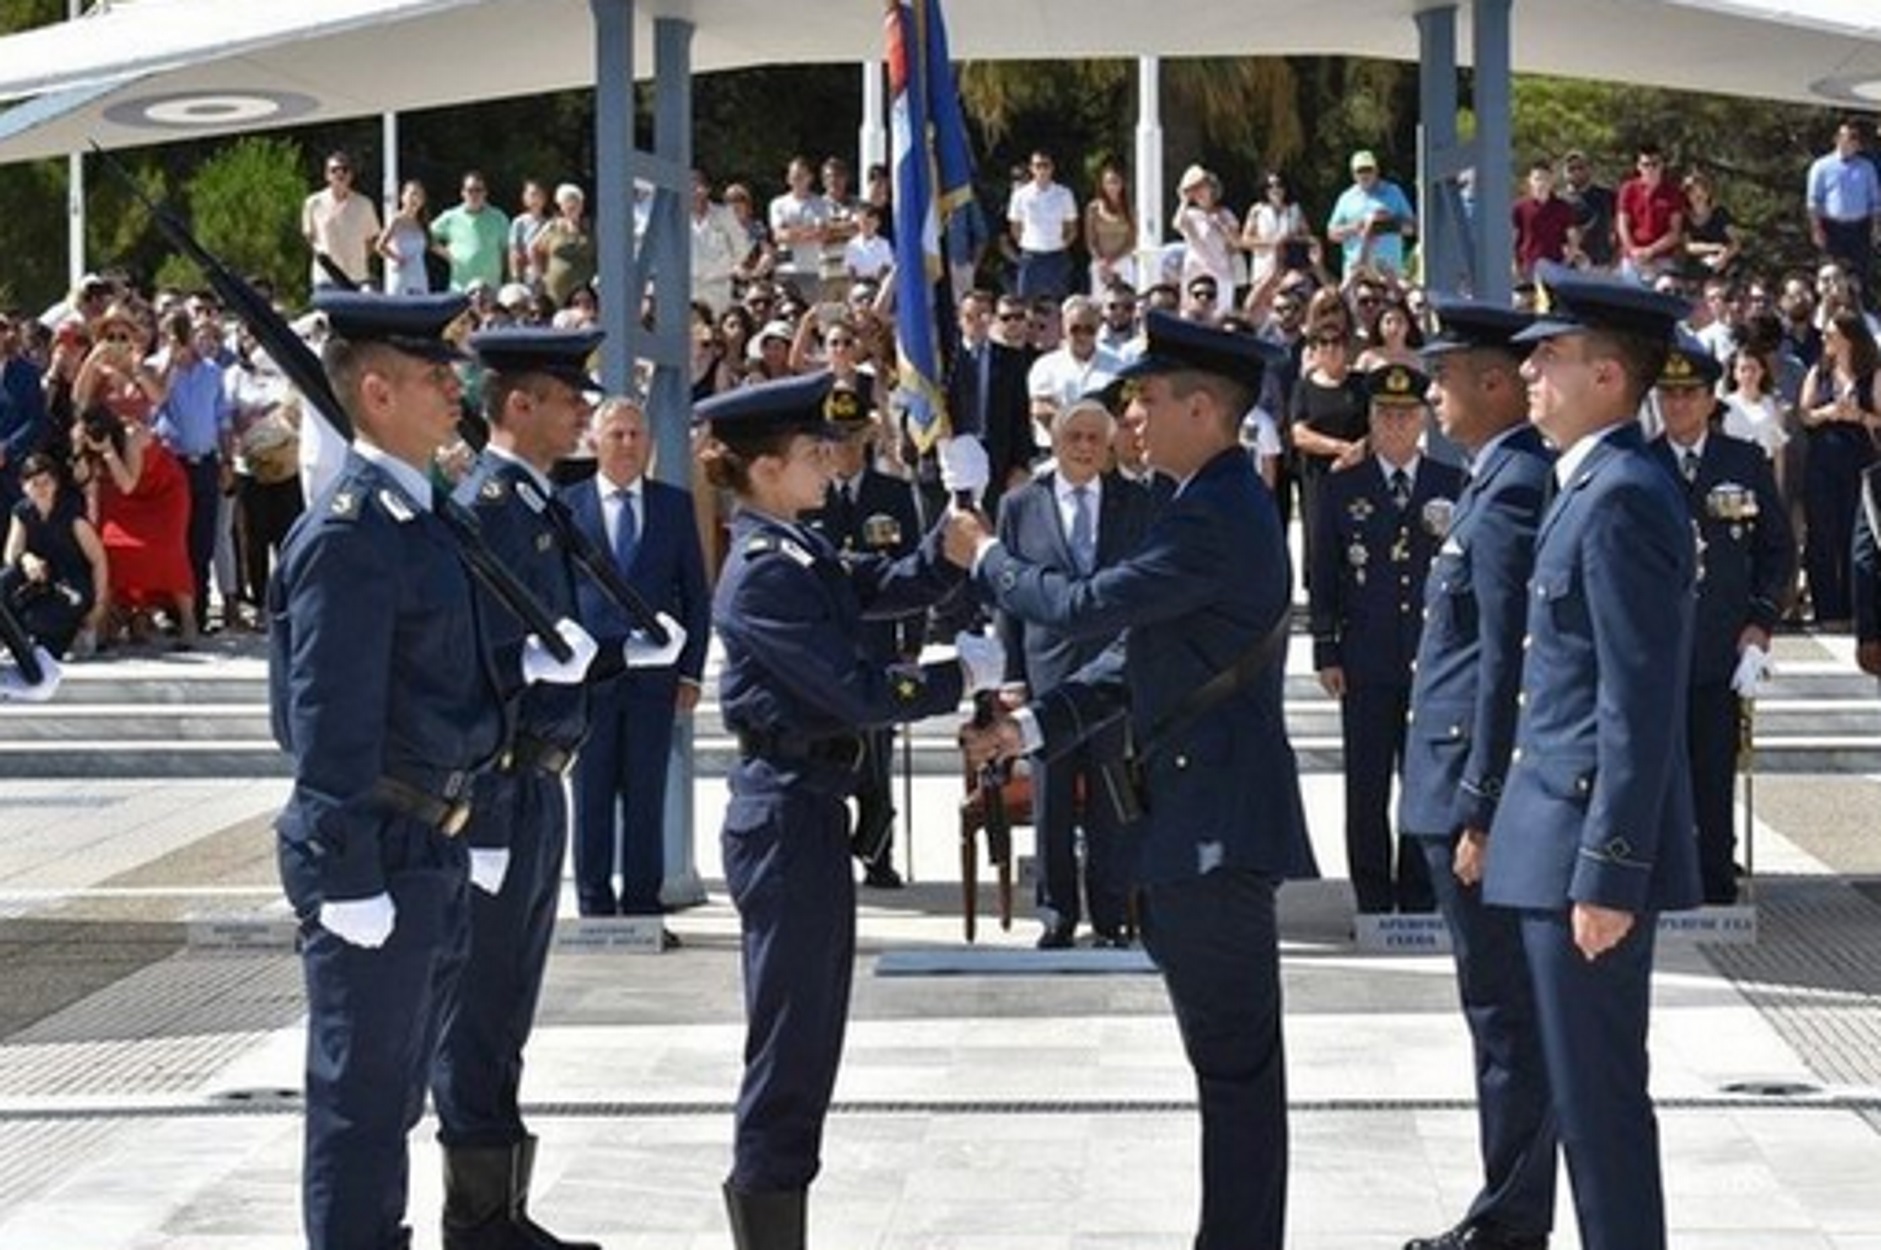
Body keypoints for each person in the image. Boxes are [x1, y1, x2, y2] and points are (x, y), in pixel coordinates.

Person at [956, 311, 1316, 1249]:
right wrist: (1034, 724)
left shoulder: (1215, 511)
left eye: (1147, 401)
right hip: (1193, 812)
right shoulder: (1203, 503)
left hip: (1214, 820)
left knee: (1235, 1064)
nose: (1130, 422)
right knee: (1226, 1060)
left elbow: (1079, 608)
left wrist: (986, 556)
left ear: (1204, 408)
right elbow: (1136, 660)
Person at [269, 291, 600, 1250]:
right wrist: (346, 873)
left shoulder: (423, 518)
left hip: (432, 841)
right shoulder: (353, 534)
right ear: (374, 392)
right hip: (378, 841)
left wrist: (520, 667)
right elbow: (327, 718)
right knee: (361, 1108)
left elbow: (436, 678)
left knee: (400, 1093)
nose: (455, 388)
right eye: (430, 376)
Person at [699, 372, 991, 1250]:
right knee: (790, 1041)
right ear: (765, 468)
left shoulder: (798, 550)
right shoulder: (762, 573)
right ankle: (768, 1221)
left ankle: (780, 1213)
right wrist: (954, 677)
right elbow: (856, 689)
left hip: (809, 808)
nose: (829, 465)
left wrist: (950, 537)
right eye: (810, 453)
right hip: (783, 812)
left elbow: (881, 583)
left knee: (810, 1033)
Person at [437, 327, 686, 1250]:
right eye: (565, 394)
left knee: (507, 1008)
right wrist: (488, 807)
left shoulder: (538, 504)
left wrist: (619, 653)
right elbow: (481, 660)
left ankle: (500, 1209)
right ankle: (475, 1219)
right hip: (501, 789)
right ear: (516, 406)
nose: (586, 409)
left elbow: (550, 653)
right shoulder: (493, 505)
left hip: (541, 782)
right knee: (478, 1011)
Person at [1485, 263, 1701, 1250]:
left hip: (1582, 848)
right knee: (1573, 1098)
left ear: (1609, 377)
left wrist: (1611, 868)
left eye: (1553, 357)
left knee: (1600, 1105)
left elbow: (1636, 698)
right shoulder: (1593, 484)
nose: (1531, 375)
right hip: (1549, 837)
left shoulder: (1624, 492)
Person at [1398, 298, 1560, 1250]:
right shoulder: (1489, 477)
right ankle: (1508, 1209)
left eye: (1443, 374)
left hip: (1471, 785)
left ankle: (1509, 1222)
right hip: (1449, 775)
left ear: (1495, 383)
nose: (1428, 392)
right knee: (1494, 1010)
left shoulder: (1509, 488)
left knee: (1507, 1018)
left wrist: (1481, 802)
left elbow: (1508, 657)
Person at [992, 395, 1152, 947]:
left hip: (1114, 675)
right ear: (1055, 443)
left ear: (1109, 445)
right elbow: (1006, 595)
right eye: (1073, 438)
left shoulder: (1138, 502)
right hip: (1046, 672)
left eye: (1093, 438)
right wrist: (1011, 673)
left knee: (1113, 798)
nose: (1084, 448)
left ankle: (1110, 916)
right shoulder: (1019, 505)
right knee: (1052, 799)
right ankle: (1056, 915)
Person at [1310, 363, 1462, 915]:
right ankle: (1373, 898)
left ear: (1423, 419)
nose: (1396, 424)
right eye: (1385, 414)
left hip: (1432, 658)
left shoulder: (1452, 483)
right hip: (1366, 655)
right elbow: (1323, 571)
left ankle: (1420, 896)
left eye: (1406, 414)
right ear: (1371, 419)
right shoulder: (1344, 485)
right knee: (1367, 784)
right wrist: (1326, 648)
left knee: (1424, 781)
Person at [1648, 336, 1795, 905]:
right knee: (1660, 775)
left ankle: (1712, 879)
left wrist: (1761, 623)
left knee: (1712, 772)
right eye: (1668, 394)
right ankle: (1663, 879)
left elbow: (1778, 551)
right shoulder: (1641, 463)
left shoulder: (1742, 462)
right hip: (1656, 653)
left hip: (1720, 647)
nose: (1677, 405)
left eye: (1688, 394)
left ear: (1712, 399)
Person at [558, 396, 711, 923]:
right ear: (594, 442)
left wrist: (691, 668)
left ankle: (644, 910)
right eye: (617, 434)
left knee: (646, 797)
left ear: (648, 444)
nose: (627, 444)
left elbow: (695, 593)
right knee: (593, 798)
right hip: (592, 681)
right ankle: (595, 910)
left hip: (654, 681)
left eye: (635, 435)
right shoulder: (568, 506)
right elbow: (556, 595)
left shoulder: (672, 505)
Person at [801, 388, 927, 888]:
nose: (843, 448)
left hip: (877, 646)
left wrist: (911, 643)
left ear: (868, 438)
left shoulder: (892, 495)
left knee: (877, 757)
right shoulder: (808, 495)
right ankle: (827, 855)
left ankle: (878, 854)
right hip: (823, 648)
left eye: (852, 437)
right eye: (834, 438)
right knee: (824, 755)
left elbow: (914, 570)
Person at [152, 313, 231, 633]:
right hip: (173, 464)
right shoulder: (158, 368)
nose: (185, 340)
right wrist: (170, 363)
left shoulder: (212, 372)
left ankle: (196, 613)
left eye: (188, 332)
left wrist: (227, 460)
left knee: (202, 542)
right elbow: (153, 407)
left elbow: (222, 418)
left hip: (206, 463)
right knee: (174, 541)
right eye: (177, 333)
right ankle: (172, 612)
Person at [3, 452, 107, 658]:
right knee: (4, 581)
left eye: (46, 482)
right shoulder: (22, 512)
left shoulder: (72, 516)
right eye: (34, 483)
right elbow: (11, 554)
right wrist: (27, 559)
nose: (41, 488)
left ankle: (75, 634)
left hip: (71, 582)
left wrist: (99, 606)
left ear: (56, 484)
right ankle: (18, 641)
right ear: (24, 486)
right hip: (40, 578)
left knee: (40, 619)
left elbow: (98, 560)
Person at [1806, 120, 1881, 304]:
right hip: (1832, 228)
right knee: (1831, 274)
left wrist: (1876, 226)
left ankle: (1860, 317)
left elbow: (1875, 201)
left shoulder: (1866, 167)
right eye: (1849, 137)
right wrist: (1816, 229)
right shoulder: (1821, 166)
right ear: (1837, 139)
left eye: (1856, 138)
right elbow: (1813, 201)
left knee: (1860, 276)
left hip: (1859, 228)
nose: (1854, 142)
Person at [1327, 149, 1418, 280]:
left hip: (1389, 271)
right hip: (1356, 272)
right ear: (1353, 174)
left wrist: (1386, 224)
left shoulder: (1393, 191)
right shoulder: (1346, 197)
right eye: (1360, 171)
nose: (1365, 174)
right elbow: (1332, 234)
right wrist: (1357, 227)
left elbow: (1412, 228)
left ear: (1376, 170)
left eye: (1368, 169)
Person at [302, 150, 381, 289]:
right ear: (327, 175)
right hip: (325, 278)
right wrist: (324, 259)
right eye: (334, 170)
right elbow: (310, 237)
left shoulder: (365, 204)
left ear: (351, 175)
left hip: (356, 278)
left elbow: (372, 239)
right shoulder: (313, 203)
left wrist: (356, 257)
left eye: (344, 169)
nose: (340, 174)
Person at [1008, 150, 1080, 301]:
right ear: (1031, 168)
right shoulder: (1020, 195)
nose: (1042, 170)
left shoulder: (1064, 194)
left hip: (1056, 257)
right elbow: (1015, 227)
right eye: (1037, 165)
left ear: (1052, 168)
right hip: (1030, 257)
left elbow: (1071, 227)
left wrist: (1058, 244)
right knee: (1026, 303)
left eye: (1045, 165)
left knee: (1058, 302)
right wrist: (1028, 243)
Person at [1172, 165, 1241, 321]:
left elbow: (1235, 243)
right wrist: (1183, 200)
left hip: (1220, 272)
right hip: (1194, 271)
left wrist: (1220, 226)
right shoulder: (1190, 215)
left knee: (1221, 317)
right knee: (1189, 315)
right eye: (1197, 190)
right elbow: (1177, 224)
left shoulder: (1225, 214)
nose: (1200, 193)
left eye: (1204, 188)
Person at [1615, 143, 1686, 283]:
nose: (1650, 169)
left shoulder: (1673, 193)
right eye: (1646, 164)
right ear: (1638, 166)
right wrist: (1632, 250)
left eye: (1655, 164)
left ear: (1662, 165)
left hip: (1662, 258)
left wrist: (1651, 251)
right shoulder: (1628, 189)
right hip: (1632, 257)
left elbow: (1675, 232)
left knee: (1664, 294)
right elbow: (1622, 224)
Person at [431, 171, 511, 294]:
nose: (474, 194)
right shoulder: (451, 216)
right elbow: (426, 235)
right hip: (459, 289)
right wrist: (445, 253)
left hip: (491, 290)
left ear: (485, 193)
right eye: (470, 190)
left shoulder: (499, 217)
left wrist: (507, 280)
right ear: (462, 193)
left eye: (478, 190)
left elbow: (507, 252)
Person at [532, 185, 596, 310]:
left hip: (585, 290)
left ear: (582, 204)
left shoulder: (591, 226)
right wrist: (540, 275)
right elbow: (534, 249)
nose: (572, 204)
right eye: (567, 201)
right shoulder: (552, 226)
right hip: (556, 289)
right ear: (561, 205)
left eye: (576, 200)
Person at [1083, 159, 1138, 294]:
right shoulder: (1093, 208)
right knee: (1100, 301)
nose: (1112, 186)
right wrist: (1102, 262)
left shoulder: (1130, 209)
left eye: (1116, 181)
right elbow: (1090, 240)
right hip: (1100, 263)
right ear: (1102, 185)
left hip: (1123, 261)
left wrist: (1113, 259)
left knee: (1125, 298)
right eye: (1108, 182)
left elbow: (1132, 240)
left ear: (1122, 184)